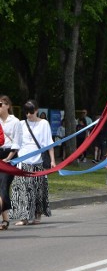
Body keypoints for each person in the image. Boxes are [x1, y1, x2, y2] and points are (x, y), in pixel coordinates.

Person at [11, 100, 56, 226]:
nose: (29, 115)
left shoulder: (44, 124)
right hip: (23, 160)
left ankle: (37, 214)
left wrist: (52, 160)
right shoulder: (21, 124)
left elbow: (49, 143)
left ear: (36, 110)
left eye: (31, 111)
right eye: (26, 112)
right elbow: (16, 144)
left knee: (38, 189)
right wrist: (10, 158)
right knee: (21, 189)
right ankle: (23, 217)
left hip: (38, 161)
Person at [0, 95, 22, 231]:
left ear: (8, 105)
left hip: (10, 155)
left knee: (3, 185)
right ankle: (5, 219)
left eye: (0, 104)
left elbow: (17, 142)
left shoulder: (15, 121)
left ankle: (5, 220)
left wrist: (9, 157)